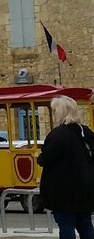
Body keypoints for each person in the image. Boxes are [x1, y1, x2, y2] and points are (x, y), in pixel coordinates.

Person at [37, 96, 94, 239]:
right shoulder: (87, 133)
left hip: (63, 189)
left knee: (66, 225)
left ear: (61, 112)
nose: (54, 114)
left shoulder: (58, 135)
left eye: (55, 111)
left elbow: (45, 159)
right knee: (85, 224)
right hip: (86, 187)